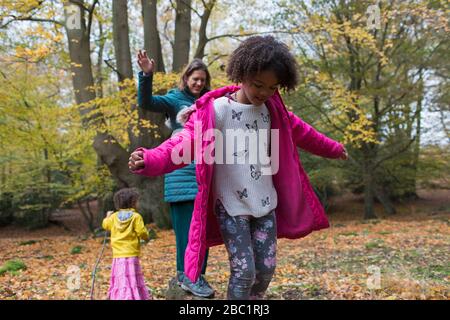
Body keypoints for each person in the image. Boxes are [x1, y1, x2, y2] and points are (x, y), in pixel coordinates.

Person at [129, 36, 348, 299]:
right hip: (231, 205)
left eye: (272, 87)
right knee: (244, 272)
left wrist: (334, 149)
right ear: (242, 74)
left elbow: (306, 134)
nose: (264, 93)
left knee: (265, 272)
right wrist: (150, 159)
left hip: (265, 203)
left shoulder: (273, 111)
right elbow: (184, 143)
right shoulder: (217, 111)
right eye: (258, 85)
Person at [136, 51, 214, 298]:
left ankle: (197, 275)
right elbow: (146, 103)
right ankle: (185, 275)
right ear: (186, 78)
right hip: (181, 175)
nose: (198, 83)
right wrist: (146, 75)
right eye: (195, 79)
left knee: (203, 231)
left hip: (206, 174)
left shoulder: (210, 102)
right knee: (185, 231)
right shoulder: (174, 99)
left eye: (202, 80)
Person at [102, 188, 151, 300]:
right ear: (132, 202)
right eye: (136, 201)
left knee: (122, 277)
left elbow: (105, 225)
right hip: (131, 253)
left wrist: (108, 216)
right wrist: (146, 236)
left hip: (118, 255)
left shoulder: (113, 217)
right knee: (132, 277)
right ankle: (132, 296)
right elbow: (141, 232)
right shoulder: (136, 217)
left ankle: (121, 296)